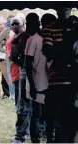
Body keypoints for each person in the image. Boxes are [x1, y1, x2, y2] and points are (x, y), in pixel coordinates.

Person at [42, 7, 77, 142]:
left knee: (70, 123)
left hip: (70, 81)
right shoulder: (50, 28)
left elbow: (51, 53)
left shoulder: (74, 26)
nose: (64, 10)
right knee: (62, 122)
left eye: (67, 6)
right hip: (60, 82)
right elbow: (48, 52)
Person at [24, 14, 48, 143]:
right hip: (38, 83)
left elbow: (27, 64)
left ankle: (41, 137)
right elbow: (27, 64)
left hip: (44, 84)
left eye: (29, 23)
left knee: (40, 114)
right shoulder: (34, 39)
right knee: (37, 114)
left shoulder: (34, 39)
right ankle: (35, 139)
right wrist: (32, 86)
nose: (27, 26)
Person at [9, 15, 32, 143]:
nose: (15, 26)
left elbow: (14, 56)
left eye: (16, 23)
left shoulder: (23, 36)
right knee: (25, 105)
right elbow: (15, 57)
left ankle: (23, 135)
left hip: (31, 72)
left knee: (26, 105)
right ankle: (23, 135)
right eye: (13, 24)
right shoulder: (21, 37)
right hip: (29, 72)